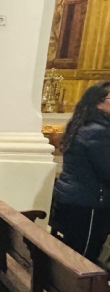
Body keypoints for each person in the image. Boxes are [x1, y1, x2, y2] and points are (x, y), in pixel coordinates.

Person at [49, 81, 110, 264]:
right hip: (89, 202)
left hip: (76, 199)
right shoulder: (98, 131)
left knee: (74, 251)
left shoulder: (86, 125)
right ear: (98, 102)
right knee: (83, 258)